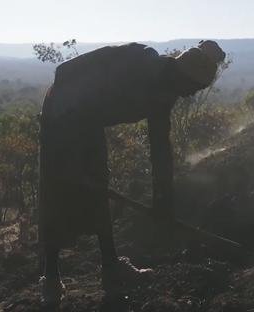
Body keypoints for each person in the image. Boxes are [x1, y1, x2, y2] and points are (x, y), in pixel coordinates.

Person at [38, 40, 226, 305]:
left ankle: (111, 268)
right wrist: (69, 155)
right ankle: (51, 279)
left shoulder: (164, 94)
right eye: (189, 88)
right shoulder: (134, 61)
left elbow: (161, 148)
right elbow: (64, 71)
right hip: (61, 118)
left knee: (98, 185)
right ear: (178, 74)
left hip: (89, 125)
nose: (188, 96)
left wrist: (164, 201)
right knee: (57, 193)